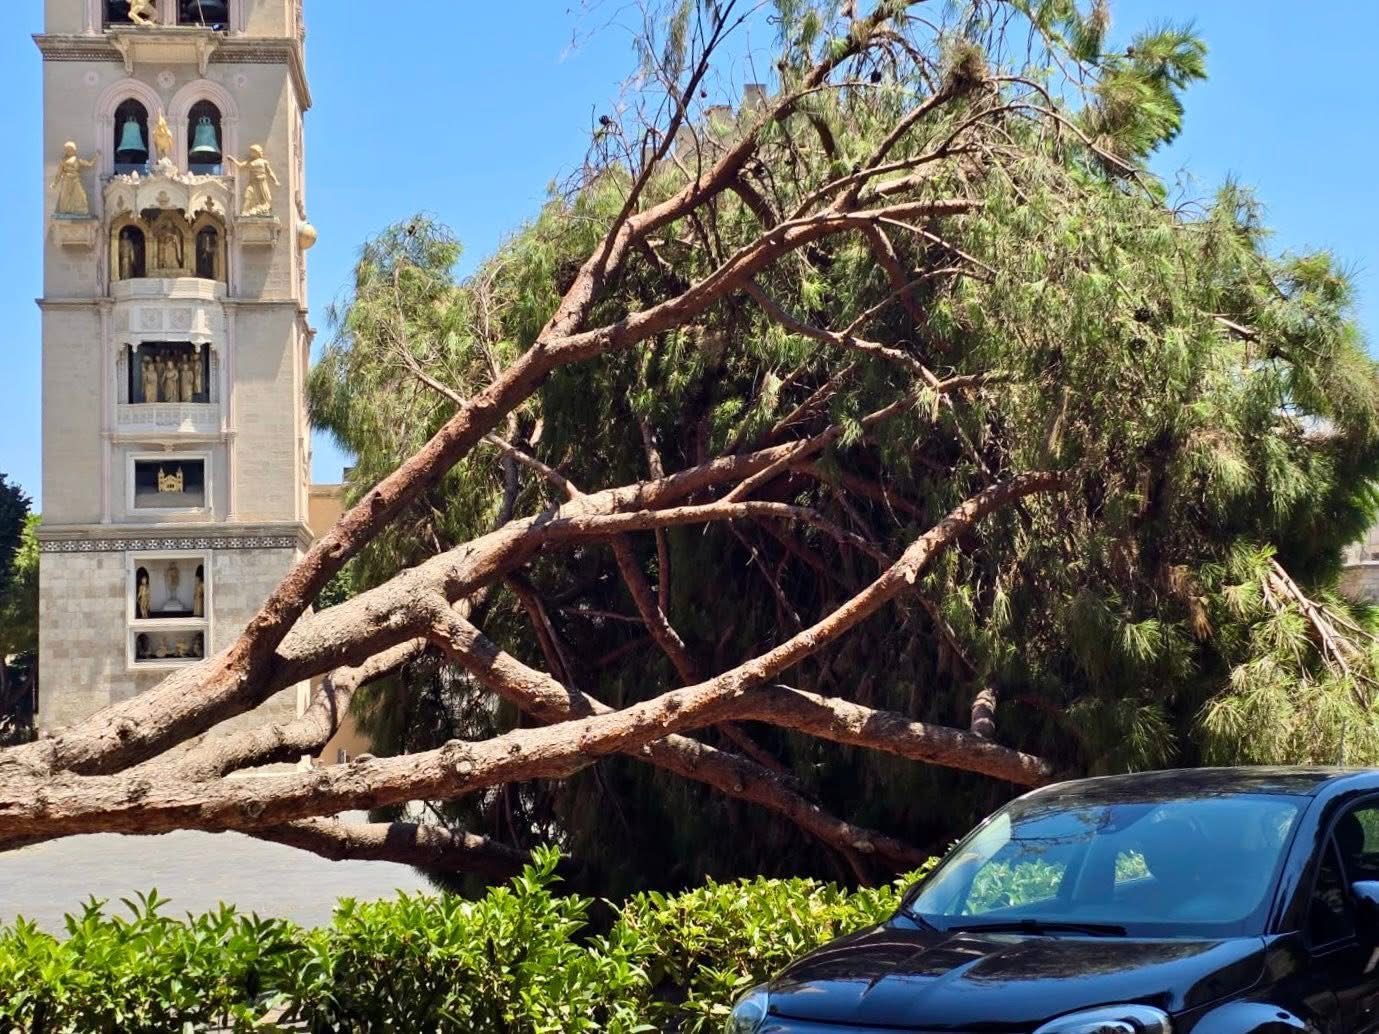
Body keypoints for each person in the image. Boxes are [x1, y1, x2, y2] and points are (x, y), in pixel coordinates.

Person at [227, 145, 280, 217]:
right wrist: (232, 160)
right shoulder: (250, 162)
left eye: (252, 152)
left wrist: (275, 181)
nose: (250, 153)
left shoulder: (264, 162)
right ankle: (245, 211)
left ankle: (262, 210)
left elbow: (270, 172)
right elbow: (239, 165)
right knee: (248, 195)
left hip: (261, 183)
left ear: (257, 152)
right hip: (253, 183)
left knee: (263, 199)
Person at [52, 142, 97, 217]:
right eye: (67, 149)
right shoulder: (63, 160)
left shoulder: (78, 160)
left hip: (76, 180)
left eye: (70, 149)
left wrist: (96, 157)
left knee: (81, 195)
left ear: (74, 150)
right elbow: (59, 173)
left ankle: (82, 210)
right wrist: (55, 183)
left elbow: (89, 164)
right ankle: (64, 211)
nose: (68, 151)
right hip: (67, 180)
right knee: (65, 196)